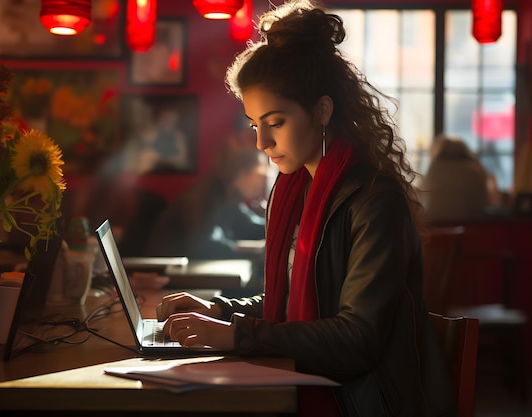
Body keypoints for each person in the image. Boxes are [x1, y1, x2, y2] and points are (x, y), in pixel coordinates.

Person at [155, 1, 455, 416]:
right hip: (314, 384)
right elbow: (298, 301)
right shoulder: (295, 191)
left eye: (275, 122)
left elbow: (355, 341)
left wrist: (237, 336)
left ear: (321, 111)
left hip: (365, 402)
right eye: (254, 124)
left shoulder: (374, 200)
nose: (261, 143)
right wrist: (221, 310)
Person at [145, 140, 268, 261]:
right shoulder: (205, 196)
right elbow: (205, 245)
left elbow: (248, 226)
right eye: (259, 175)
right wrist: (253, 255)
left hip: (187, 267)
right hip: (168, 272)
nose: (262, 182)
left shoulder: (228, 194)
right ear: (240, 173)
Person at [421, 134, 501, 221]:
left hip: (436, 227)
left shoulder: (434, 169)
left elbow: (423, 197)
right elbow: (485, 203)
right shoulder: (474, 169)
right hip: (470, 227)